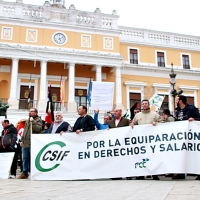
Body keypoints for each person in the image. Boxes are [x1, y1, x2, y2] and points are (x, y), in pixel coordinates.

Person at [173, 95, 200, 180]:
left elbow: (199, 118)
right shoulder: (177, 110)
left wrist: (194, 119)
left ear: (180, 101)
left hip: (191, 135)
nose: (175, 101)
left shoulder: (191, 108)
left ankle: (198, 172)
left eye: (177, 100)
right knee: (180, 153)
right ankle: (180, 173)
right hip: (181, 135)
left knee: (193, 153)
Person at [133, 99, 161, 180]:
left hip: (152, 140)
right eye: (143, 103)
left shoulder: (155, 114)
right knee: (141, 156)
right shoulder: (137, 115)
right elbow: (134, 124)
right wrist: (131, 125)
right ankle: (141, 174)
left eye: (146, 103)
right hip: (141, 141)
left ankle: (155, 174)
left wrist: (157, 123)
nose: (144, 105)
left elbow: (163, 123)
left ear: (149, 105)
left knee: (153, 157)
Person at [18, 108, 43, 179]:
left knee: (33, 158)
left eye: (32, 111)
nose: (30, 112)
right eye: (30, 111)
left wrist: (33, 122)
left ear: (36, 112)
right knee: (25, 158)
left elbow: (38, 129)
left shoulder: (38, 120)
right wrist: (21, 140)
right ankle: (25, 172)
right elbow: (25, 131)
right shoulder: (28, 120)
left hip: (33, 143)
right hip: (25, 142)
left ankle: (33, 172)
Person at [109, 108, 131, 180]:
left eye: (116, 111)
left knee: (125, 159)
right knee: (115, 160)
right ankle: (116, 174)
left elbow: (130, 130)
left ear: (120, 112)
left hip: (123, 144)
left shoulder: (126, 121)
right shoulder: (111, 122)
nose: (114, 113)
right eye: (114, 111)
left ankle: (128, 174)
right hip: (115, 144)